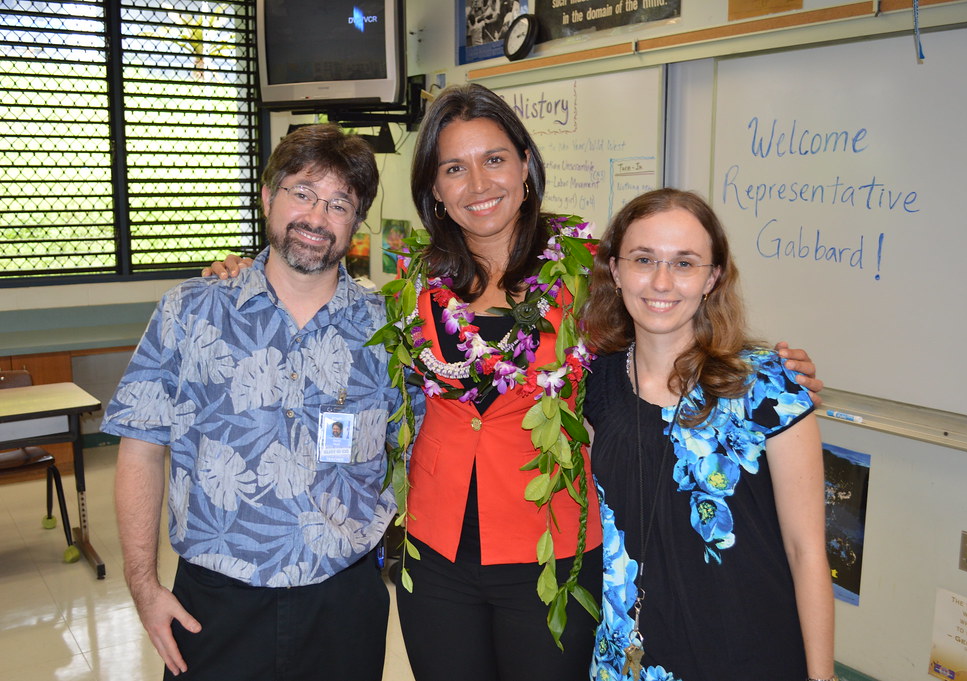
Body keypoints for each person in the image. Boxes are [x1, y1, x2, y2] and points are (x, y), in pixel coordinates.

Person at [206, 84, 823, 681]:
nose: (478, 184)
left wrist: (763, 368)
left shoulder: (585, 273)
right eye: (454, 168)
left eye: (495, 160)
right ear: (434, 189)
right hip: (435, 551)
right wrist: (243, 268)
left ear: (525, 165)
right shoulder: (414, 283)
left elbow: (665, 315)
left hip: (550, 548)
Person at [103, 124, 413, 680]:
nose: (316, 217)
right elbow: (141, 449)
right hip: (214, 603)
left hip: (343, 601)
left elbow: (423, 452)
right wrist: (143, 586)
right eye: (302, 193)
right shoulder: (190, 312)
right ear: (268, 197)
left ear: (357, 221)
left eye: (339, 204)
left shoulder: (389, 332)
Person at [580, 188, 835, 681]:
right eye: (643, 259)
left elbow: (806, 552)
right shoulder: (591, 383)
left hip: (750, 657)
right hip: (627, 660)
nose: (661, 281)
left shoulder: (769, 385)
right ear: (615, 270)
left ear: (712, 278)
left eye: (684, 263)